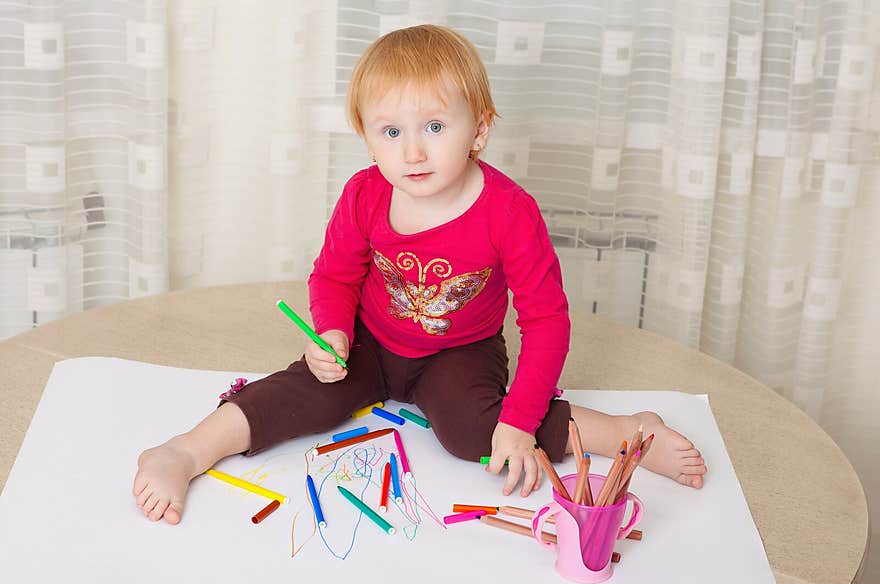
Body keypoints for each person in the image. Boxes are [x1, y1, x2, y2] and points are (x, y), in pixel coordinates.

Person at [133, 24, 706, 524]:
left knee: (477, 433)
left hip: (461, 352)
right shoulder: (363, 194)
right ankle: (184, 451)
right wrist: (331, 332)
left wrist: (519, 422)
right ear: (367, 138)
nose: (412, 153)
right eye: (391, 132)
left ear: (478, 131)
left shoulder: (509, 212)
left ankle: (627, 431)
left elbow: (546, 323)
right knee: (302, 393)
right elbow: (333, 277)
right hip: (371, 339)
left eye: (434, 126)